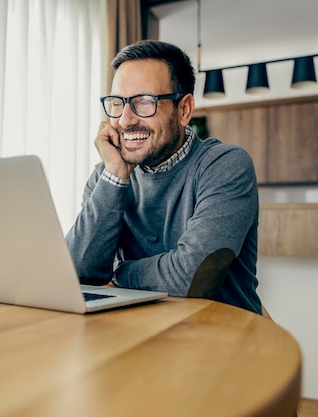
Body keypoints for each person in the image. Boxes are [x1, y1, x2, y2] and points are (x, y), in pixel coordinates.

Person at [65, 40, 262, 314]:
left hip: (222, 342)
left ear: (184, 110)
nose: (125, 120)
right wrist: (115, 176)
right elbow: (76, 274)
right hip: (139, 339)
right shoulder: (107, 176)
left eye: (144, 102)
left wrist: (119, 273)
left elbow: (191, 278)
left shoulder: (224, 165)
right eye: (117, 103)